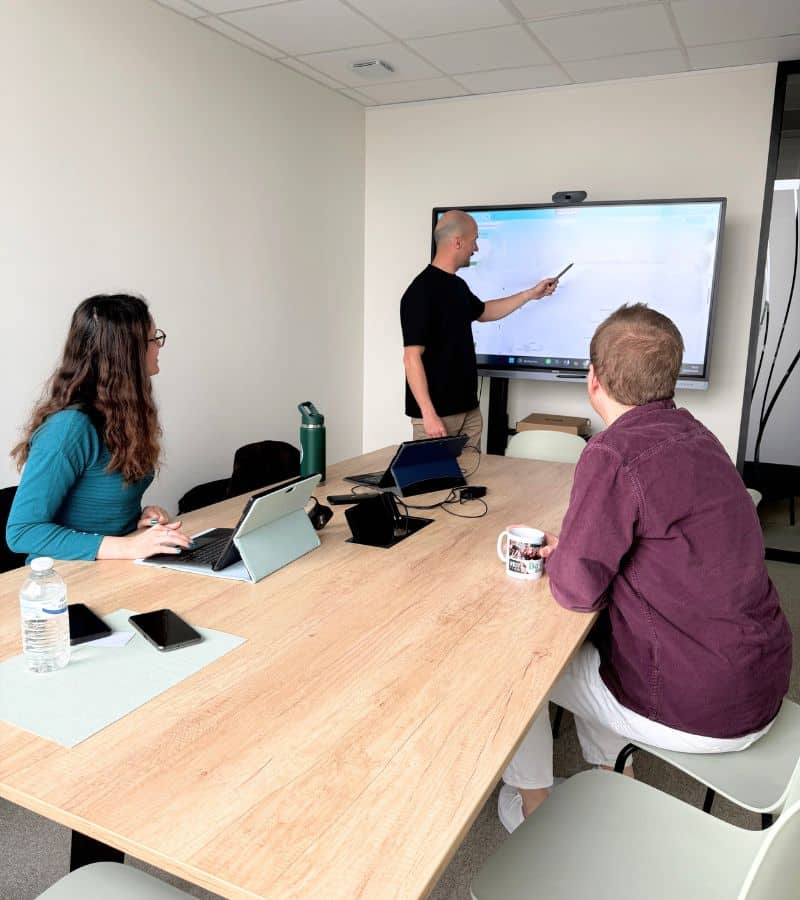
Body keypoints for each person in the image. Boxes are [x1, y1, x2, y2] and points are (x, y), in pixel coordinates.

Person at [498, 303, 792, 833]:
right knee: (601, 645)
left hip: (697, 707)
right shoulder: (701, 437)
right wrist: (580, 550)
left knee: (520, 666)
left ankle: (533, 803)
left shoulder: (612, 452)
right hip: (761, 682)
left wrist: (567, 557)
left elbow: (575, 591)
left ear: (593, 380)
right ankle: (617, 774)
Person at [6, 294, 192, 561]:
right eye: (153, 339)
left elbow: (95, 511)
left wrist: (137, 521)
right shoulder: (68, 429)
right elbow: (22, 532)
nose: (159, 347)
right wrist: (128, 547)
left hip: (111, 569)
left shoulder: (121, 415)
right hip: (66, 581)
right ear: (127, 353)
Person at [401, 210, 559, 451]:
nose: (475, 248)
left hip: (468, 412)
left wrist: (530, 294)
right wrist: (428, 414)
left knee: (470, 484)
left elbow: (484, 312)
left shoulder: (457, 286)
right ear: (457, 242)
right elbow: (411, 358)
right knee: (434, 488)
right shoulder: (419, 292)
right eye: (474, 240)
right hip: (437, 417)